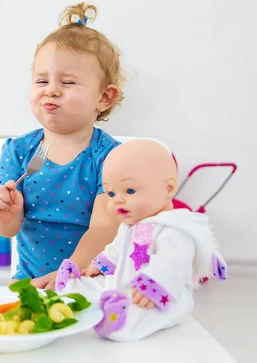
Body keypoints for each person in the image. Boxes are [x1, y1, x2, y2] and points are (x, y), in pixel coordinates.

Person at [0, 1, 125, 288]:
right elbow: (6, 229)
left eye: (68, 82)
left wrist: (68, 274)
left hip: (92, 280)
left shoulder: (111, 157)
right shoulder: (18, 151)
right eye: (41, 80)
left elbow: (104, 228)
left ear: (104, 98)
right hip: (31, 283)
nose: (51, 90)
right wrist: (6, 212)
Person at [54, 139, 228, 341]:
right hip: (125, 282)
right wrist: (100, 264)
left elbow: (174, 263)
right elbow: (117, 248)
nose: (117, 200)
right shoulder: (131, 226)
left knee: (146, 311)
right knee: (94, 284)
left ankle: (118, 322)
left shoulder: (174, 228)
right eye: (111, 193)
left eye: (129, 191)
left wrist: (153, 285)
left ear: (168, 188)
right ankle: (73, 289)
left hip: (161, 294)